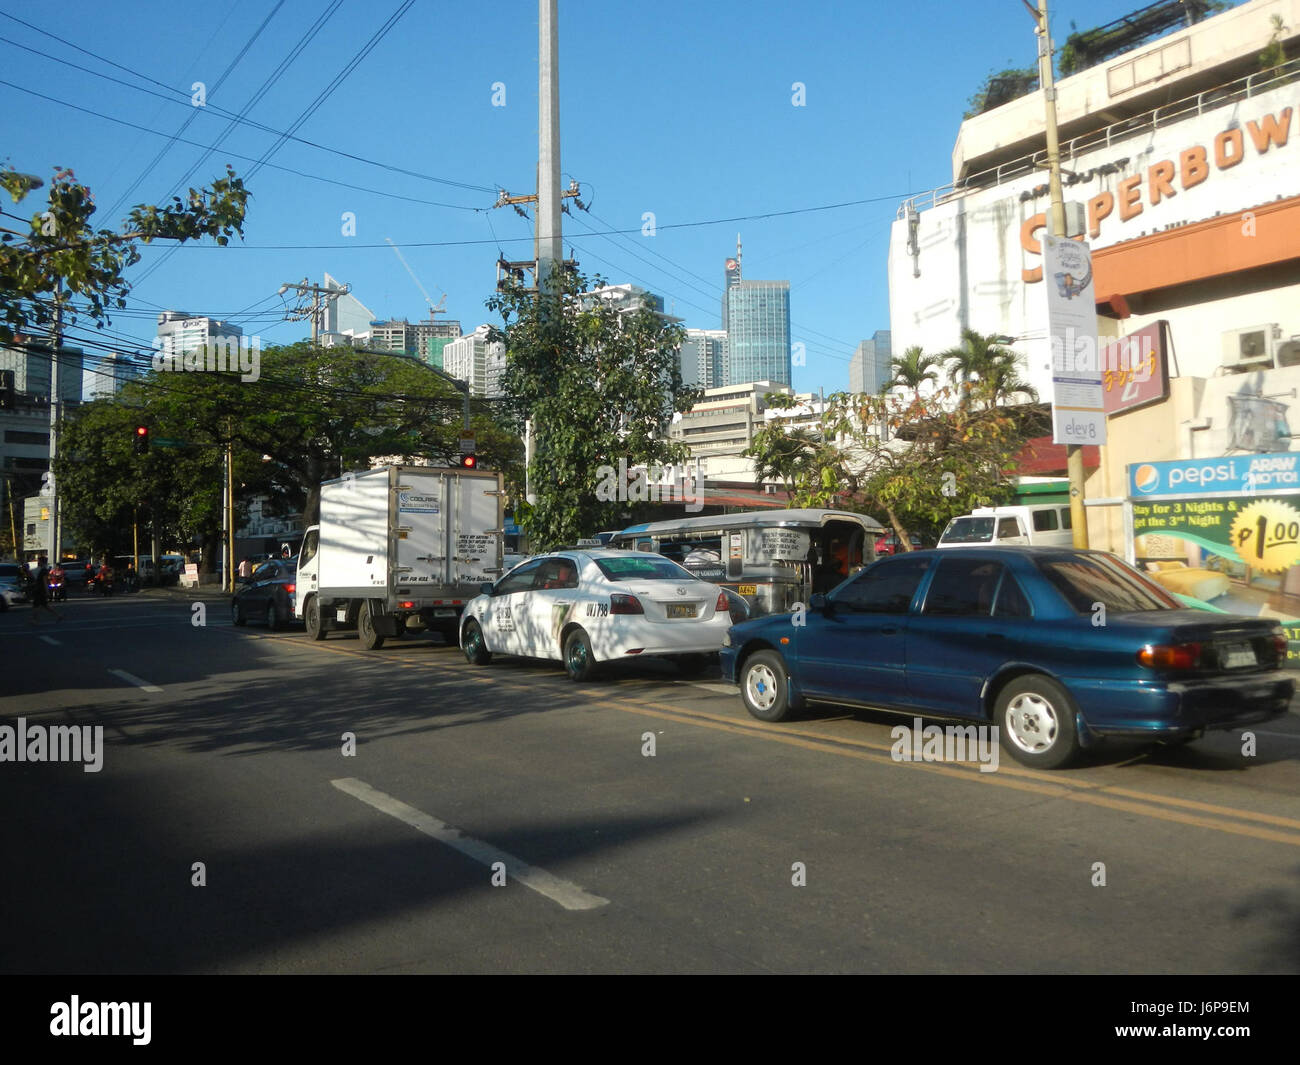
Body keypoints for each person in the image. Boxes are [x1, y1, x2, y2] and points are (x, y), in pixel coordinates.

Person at [29, 555, 62, 625]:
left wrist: (47, 591)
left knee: (37, 605)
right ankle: (58, 616)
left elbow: (44, 581)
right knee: (44, 605)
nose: (38, 562)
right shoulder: (42, 570)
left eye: (39, 561)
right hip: (40, 589)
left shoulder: (43, 570)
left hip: (40, 590)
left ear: (42, 562)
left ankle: (34, 620)